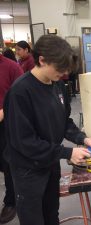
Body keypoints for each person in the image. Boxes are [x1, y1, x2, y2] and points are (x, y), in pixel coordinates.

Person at [3, 35, 91, 225]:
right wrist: (67, 152)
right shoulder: (20, 92)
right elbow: (25, 142)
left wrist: (82, 138)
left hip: (50, 162)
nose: (64, 73)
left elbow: (64, 122)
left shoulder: (59, 86)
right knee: (33, 219)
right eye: (60, 68)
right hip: (28, 169)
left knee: (51, 213)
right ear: (42, 60)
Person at [0, 53, 23, 224]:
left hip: (4, 124)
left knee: (7, 162)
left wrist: (4, 111)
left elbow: (22, 98)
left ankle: (11, 201)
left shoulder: (12, 67)